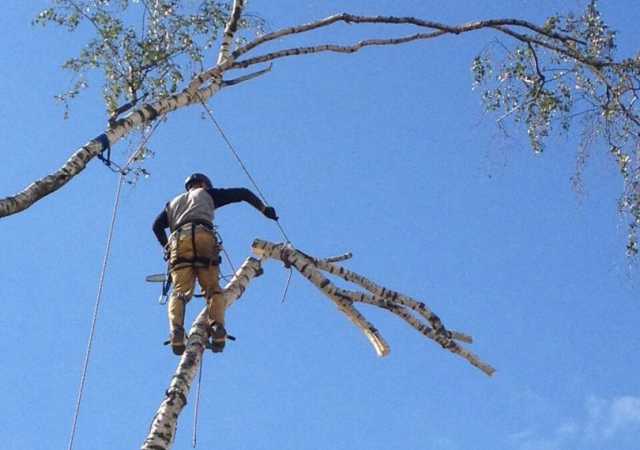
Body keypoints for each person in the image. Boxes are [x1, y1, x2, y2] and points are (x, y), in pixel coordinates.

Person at [152, 173, 278, 355]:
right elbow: (243, 193)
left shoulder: (172, 204)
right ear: (203, 184)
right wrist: (264, 209)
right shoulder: (207, 194)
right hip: (204, 236)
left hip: (179, 242)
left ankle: (176, 332)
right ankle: (217, 328)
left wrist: (166, 248)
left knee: (179, 291)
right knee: (212, 289)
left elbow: (156, 226)